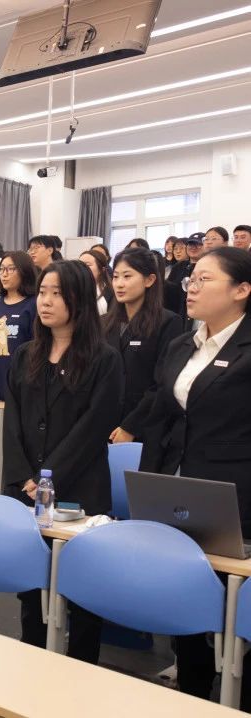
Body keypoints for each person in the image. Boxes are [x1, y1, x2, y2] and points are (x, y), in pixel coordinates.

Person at [140, 247, 251, 707]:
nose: (191, 287)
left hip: (238, 495)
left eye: (205, 279)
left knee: (235, 601)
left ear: (242, 290)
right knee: (188, 591)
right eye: (192, 279)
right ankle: (191, 693)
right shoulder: (182, 344)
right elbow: (163, 415)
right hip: (181, 485)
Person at [3, 260, 123, 666]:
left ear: (80, 300)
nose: (46, 301)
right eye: (43, 292)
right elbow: (13, 420)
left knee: (83, 592)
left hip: (81, 489)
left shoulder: (104, 359)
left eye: (57, 293)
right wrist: (24, 476)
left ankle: (81, 669)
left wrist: (46, 477)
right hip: (27, 489)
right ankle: (33, 658)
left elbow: (93, 428)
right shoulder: (26, 354)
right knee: (31, 585)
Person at [104, 249, 183, 445]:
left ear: (149, 280)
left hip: (144, 427)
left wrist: (131, 426)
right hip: (104, 422)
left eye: (127, 276)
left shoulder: (167, 322)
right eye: (116, 276)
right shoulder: (103, 323)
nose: (119, 283)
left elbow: (163, 382)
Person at [0, 252, 38, 401]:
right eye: (2, 269)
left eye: (10, 269)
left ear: (24, 271)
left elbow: (36, 350)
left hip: (18, 387)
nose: (4, 274)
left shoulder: (34, 304)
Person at [79, 250, 114, 315]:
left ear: (101, 270)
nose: (81, 268)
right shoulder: (72, 289)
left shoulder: (111, 292)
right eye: (79, 265)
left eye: (87, 265)